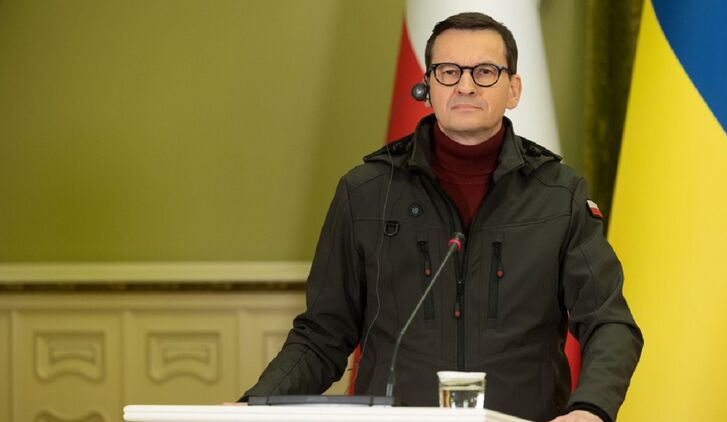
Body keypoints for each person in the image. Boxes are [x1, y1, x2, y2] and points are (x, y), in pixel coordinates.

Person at [239, 12, 643, 422]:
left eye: (484, 71)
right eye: (449, 72)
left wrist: (590, 409)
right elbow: (322, 335)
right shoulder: (366, 193)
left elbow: (610, 323)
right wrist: (251, 408)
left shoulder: (559, 194)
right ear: (427, 87)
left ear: (513, 89)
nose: (465, 86)